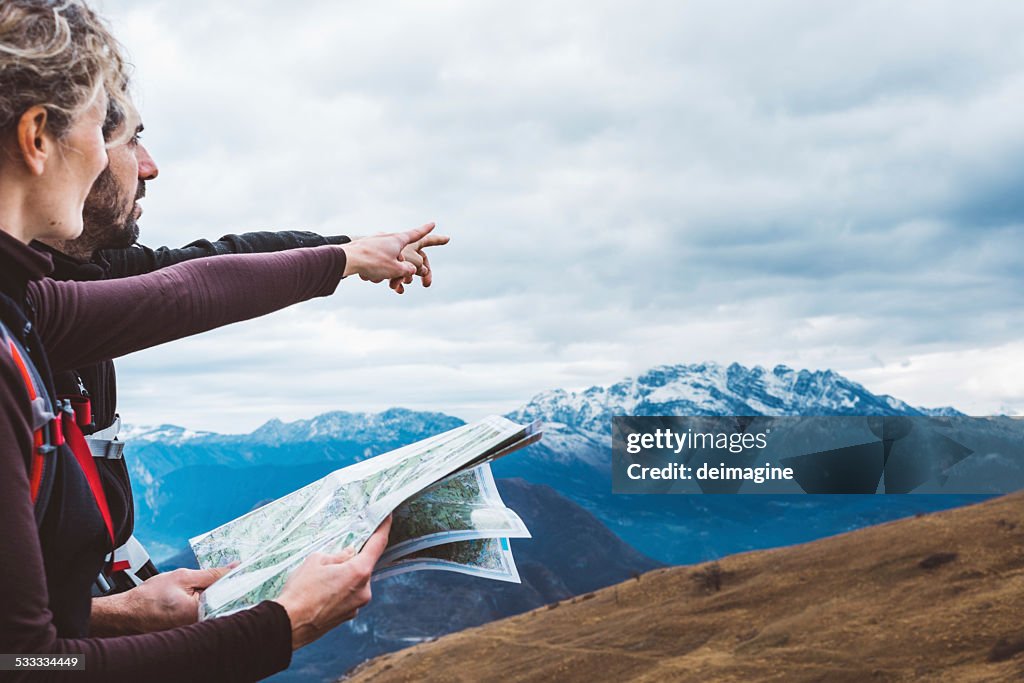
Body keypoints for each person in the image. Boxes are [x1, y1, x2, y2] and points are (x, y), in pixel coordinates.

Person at [0, 1, 428, 679]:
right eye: (101, 130)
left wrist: (347, 255)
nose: (127, 163)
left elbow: (187, 288)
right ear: (38, 137)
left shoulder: (20, 303)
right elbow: (25, 664)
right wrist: (282, 626)